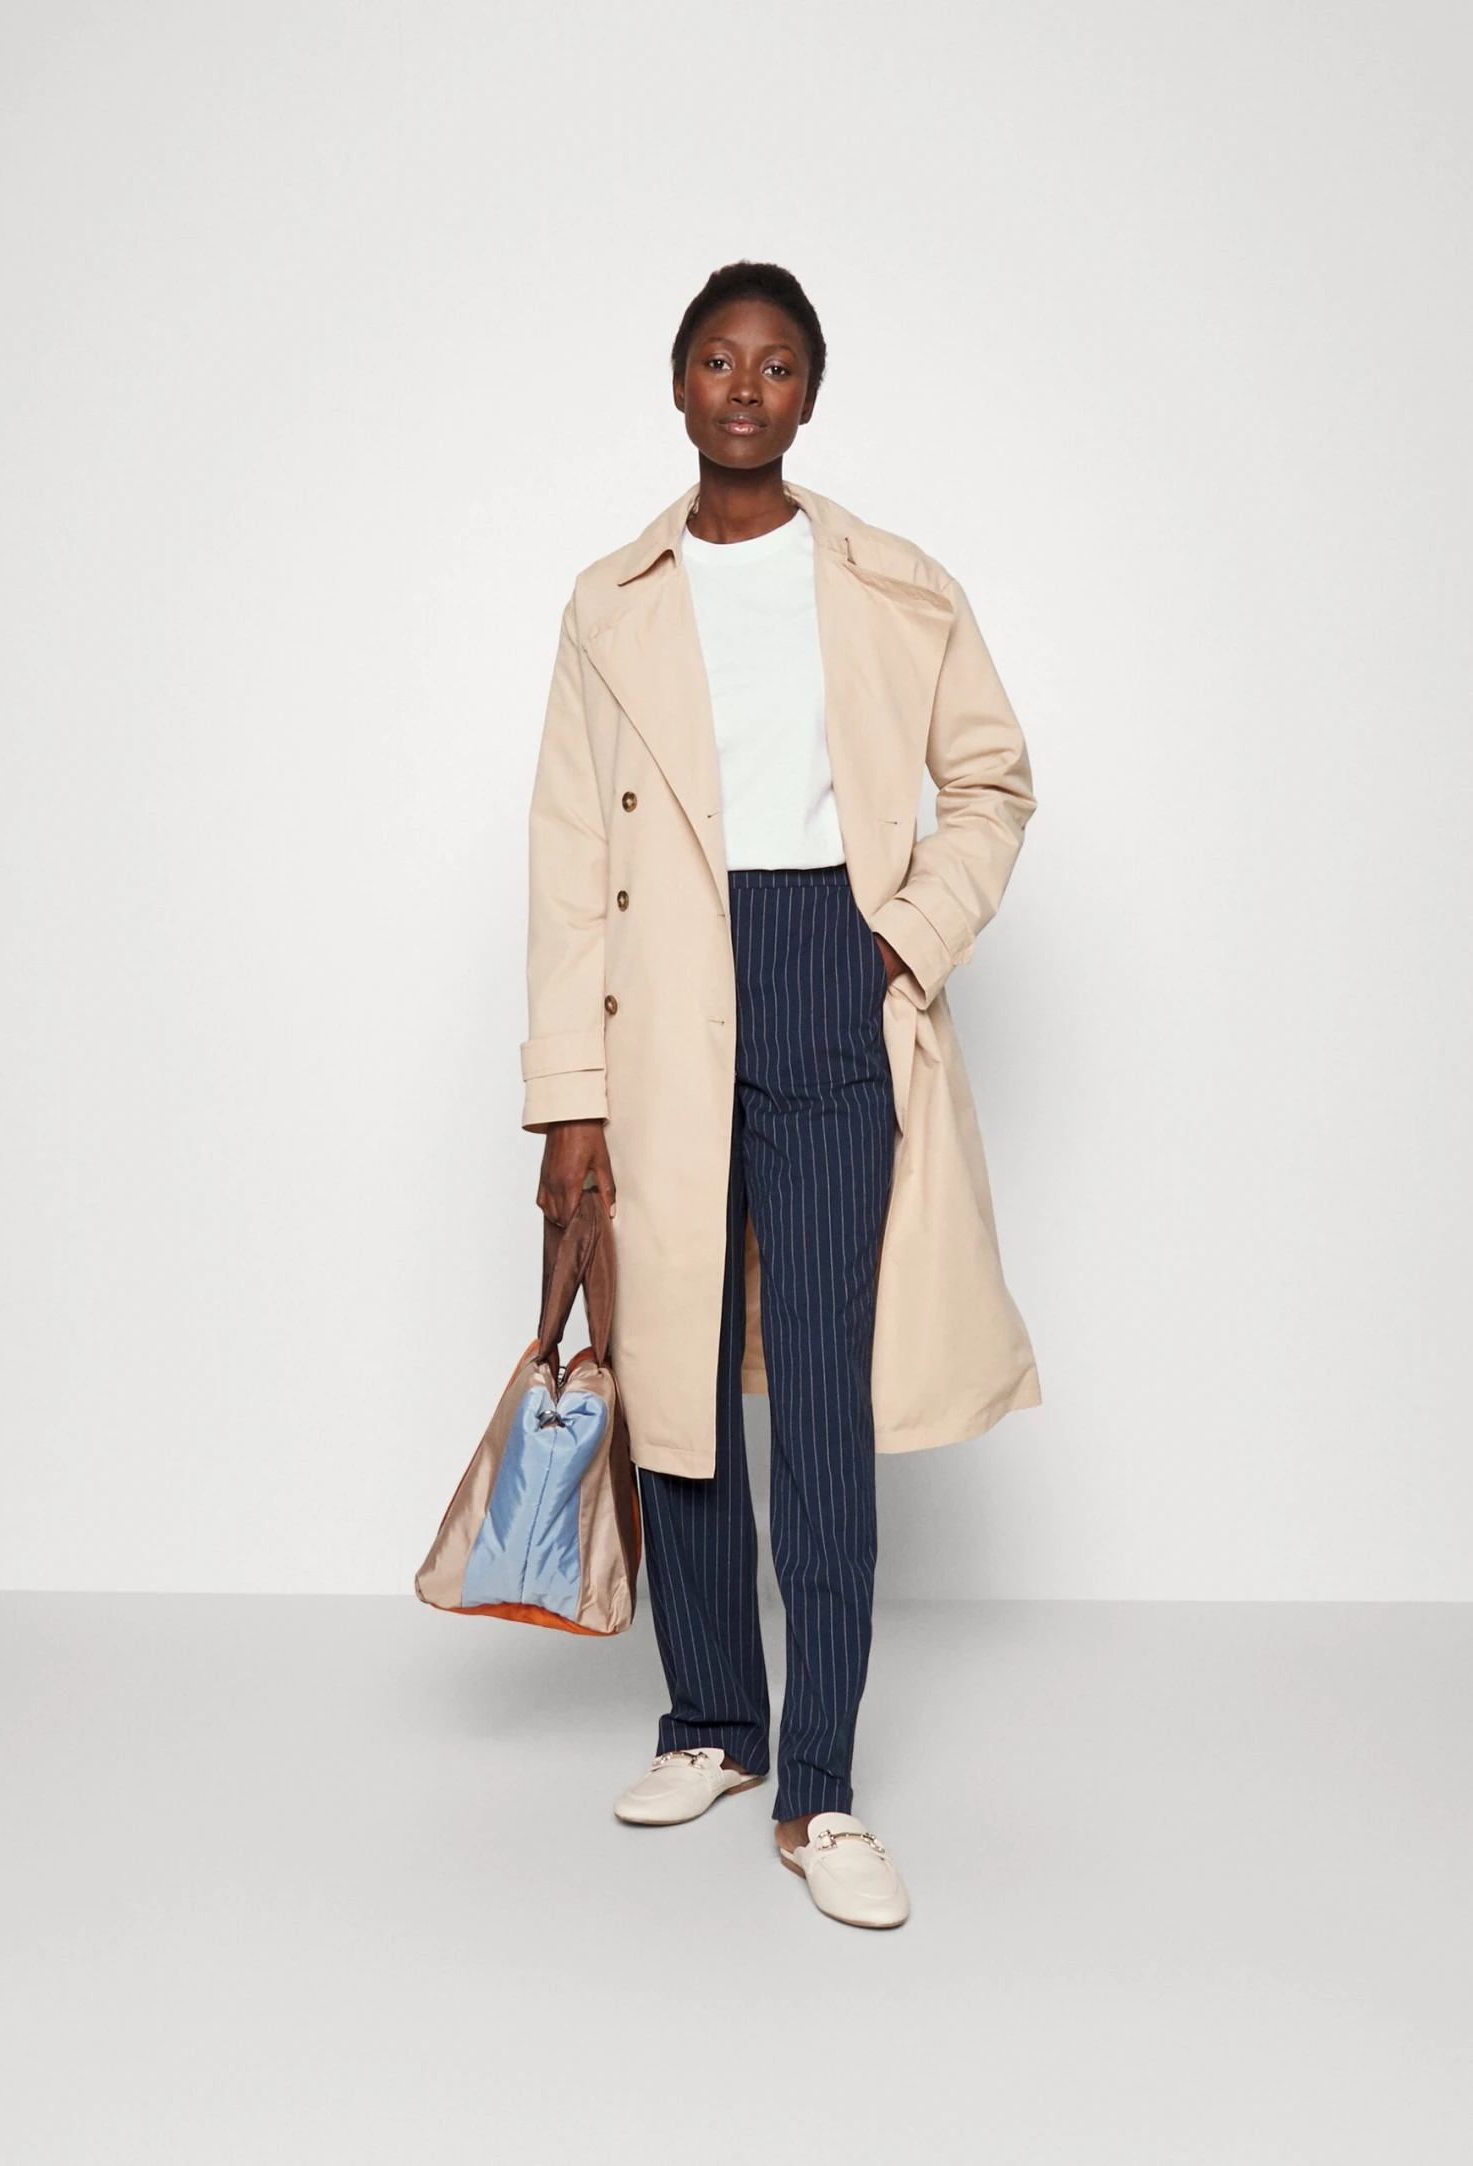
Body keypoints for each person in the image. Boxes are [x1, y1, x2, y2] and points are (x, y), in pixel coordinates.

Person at [522, 261, 1040, 1929]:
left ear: (812, 394)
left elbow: (991, 781)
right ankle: (712, 1720)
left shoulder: (893, 583)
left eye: (778, 365)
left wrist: (900, 938)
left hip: (829, 970)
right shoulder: (609, 603)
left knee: (818, 1391)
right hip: (663, 994)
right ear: (677, 382)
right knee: (673, 1372)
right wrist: (570, 1104)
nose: (745, 389)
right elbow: (568, 861)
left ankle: (820, 1784)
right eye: (717, 360)